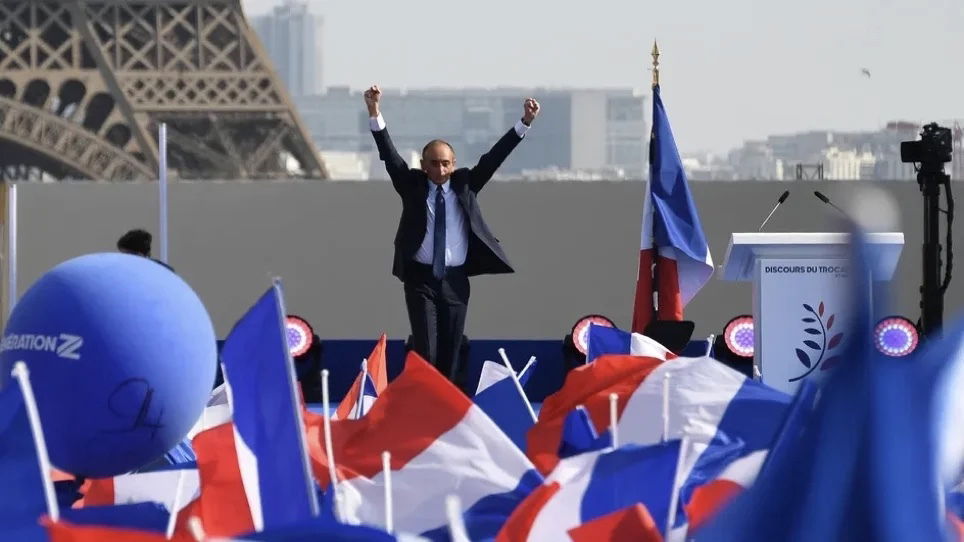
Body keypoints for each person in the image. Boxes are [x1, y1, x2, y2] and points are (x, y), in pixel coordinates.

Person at [364, 84, 540, 387]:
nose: (441, 170)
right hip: (420, 280)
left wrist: (523, 123)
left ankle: (444, 413)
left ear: (454, 165)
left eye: (446, 163)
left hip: (456, 282)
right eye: (434, 163)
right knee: (427, 351)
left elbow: (494, 158)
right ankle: (422, 405)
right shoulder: (412, 186)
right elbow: (389, 156)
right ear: (424, 165)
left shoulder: (466, 184)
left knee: (450, 354)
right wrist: (374, 112)